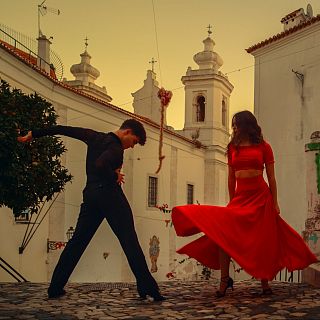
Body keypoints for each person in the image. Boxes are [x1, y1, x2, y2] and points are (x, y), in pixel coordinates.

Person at [172, 110, 317, 297]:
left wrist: (275, 202)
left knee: (262, 239)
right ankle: (225, 280)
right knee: (223, 235)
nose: (235, 128)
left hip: (261, 197)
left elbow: (272, 178)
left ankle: (265, 282)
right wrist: (232, 203)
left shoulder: (264, 147)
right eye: (234, 125)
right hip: (241, 198)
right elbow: (231, 178)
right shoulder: (233, 147)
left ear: (247, 125)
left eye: (237, 124)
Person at [18, 119, 165, 301]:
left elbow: (65, 129)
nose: (132, 147)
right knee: (129, 240)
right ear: (127, 132)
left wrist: (35, 133)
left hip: (91, 196)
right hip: (110, 197)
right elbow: (101, 164)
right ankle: (147, 286)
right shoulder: (116, 148)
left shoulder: (93, 136)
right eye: (134, 142)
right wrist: (114, 175)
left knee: (77, 242)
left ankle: (55, 286)